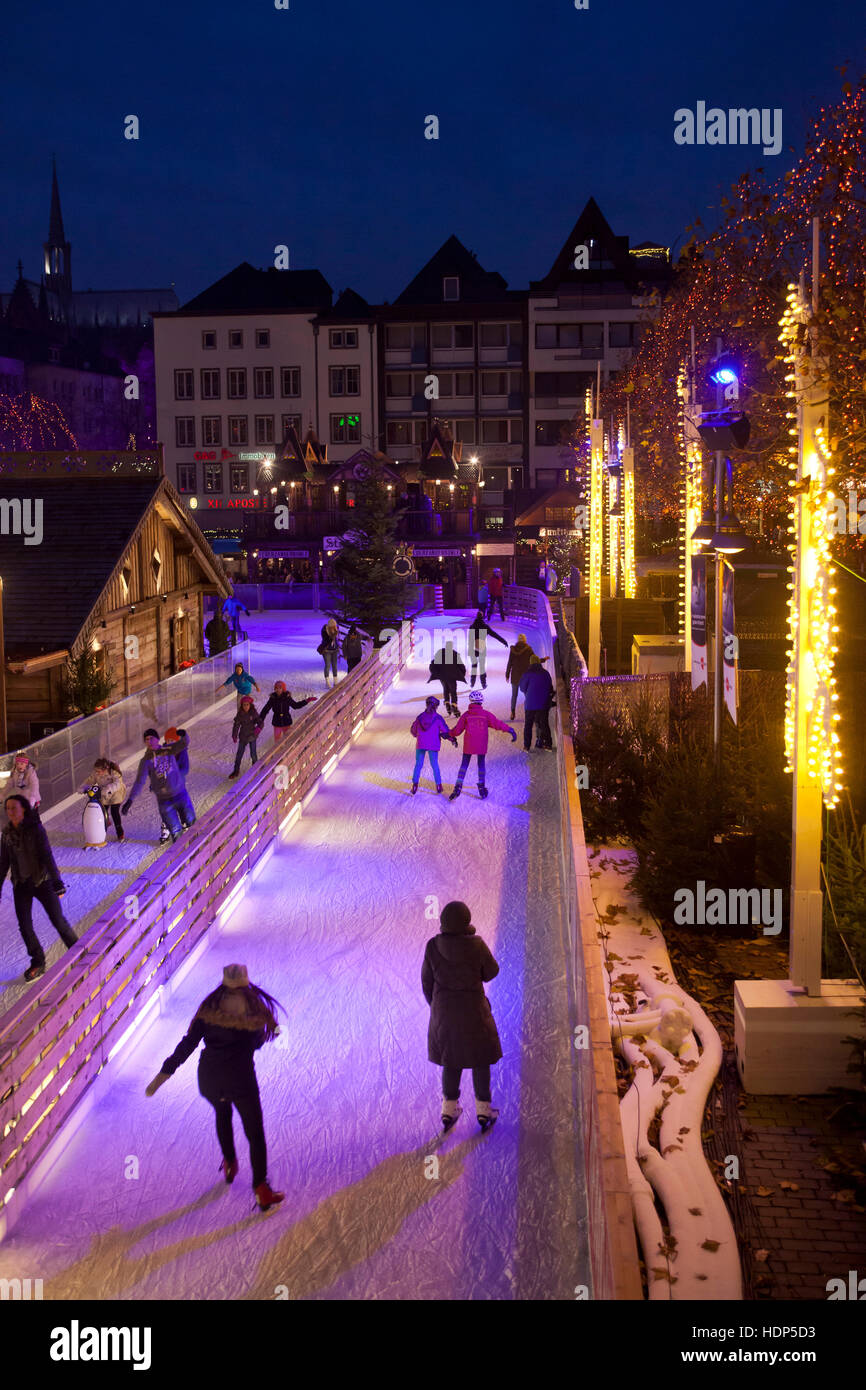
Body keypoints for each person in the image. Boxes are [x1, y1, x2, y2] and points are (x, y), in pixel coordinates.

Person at [145, 963, 285, 1211]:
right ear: (245, 982)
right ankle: (261, 1189)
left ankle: (230, 1163)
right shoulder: (253, 1009)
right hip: (240, 1078)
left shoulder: (209, 1007)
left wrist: (165, 1072)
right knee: (254, 1132)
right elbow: (258, 1042)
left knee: (222, 1112)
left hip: (209, 1077)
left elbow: (188, 1044)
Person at [421, 901, 501, 1132]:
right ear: (466, 921)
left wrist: (437, 1008)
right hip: (474, 1013)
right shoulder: (475, 945)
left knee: (451, 1059)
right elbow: (492, 971)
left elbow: (426, 982)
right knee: (480, 1059)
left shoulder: (433, 946)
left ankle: (449, 1108)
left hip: (444, 1015)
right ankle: (484, 1110)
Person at [0, 795, 78, 980]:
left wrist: (57, 881)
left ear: (24, 809)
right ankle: (38, 961)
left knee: (58, 920)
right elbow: (3, 863)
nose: (10, 811)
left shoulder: (35, 829)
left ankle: (79, 952)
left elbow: (46, 855)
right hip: (21, 884)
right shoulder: (7, 833)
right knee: (24, 926)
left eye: (14, 807)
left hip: (42, 881)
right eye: (7, 808)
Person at [122, 729, 196, 841]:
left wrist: (184, 735)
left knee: (192, 824)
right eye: (146, 739)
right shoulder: (146, 761)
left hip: (180, 794)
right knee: (176, 833)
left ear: (157, 739)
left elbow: (184, 743)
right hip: (164, 801)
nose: (149, 741)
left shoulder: (168, 749)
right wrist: (130, 800)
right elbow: (139, 781)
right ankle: (182, 855)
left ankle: (201, 853)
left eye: (152, 738)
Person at [448, 690, 516, 800]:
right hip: (481, 744)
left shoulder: (466, 715)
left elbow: (457, 730)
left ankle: (458, 786)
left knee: (464, 765)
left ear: (471, 701)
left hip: (469, 744)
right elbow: (497, 724)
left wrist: (449, 733)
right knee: (481, 764)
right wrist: (510, 730)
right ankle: (481, 787)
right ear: (481, 702)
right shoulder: (486, 715)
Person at [409, 696, 457, 795]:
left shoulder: (420, 717)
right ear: (436, 707)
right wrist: (452, 739)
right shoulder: (438, 718)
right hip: (433, 744)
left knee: (418, 764)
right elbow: (446, 731)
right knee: (434, 764)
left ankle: (414, 786)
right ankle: (439, 786)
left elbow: (413, 730)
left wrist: (417, 735)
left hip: (421, 744)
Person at [519, 655, 555, 750]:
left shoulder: (527, 674)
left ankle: (527, 746)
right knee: (544, 724)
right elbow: (550, 687)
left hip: (530, 704)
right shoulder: (545, 673)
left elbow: (522, 687)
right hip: (543, 704)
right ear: (539, 662)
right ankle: (548, 744)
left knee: (528, 725)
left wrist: (529, 691)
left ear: (530, 663)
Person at [467, 609, 508, 689]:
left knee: (474, 666)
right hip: (481, 648)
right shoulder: (485, 627)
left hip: (473, 648)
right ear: (482, 617)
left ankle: (472, 682)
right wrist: (503, 641)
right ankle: (483, 684)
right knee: (482, 666)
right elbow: (495, 635)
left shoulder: (472, 626)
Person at [88, 757, 126, 841]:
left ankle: (120, 833)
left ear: (105, 769)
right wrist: (84, 787)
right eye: (96, 771)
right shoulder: (96, 773)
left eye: (99, 771)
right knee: (102, 810)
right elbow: (90, 781)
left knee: (114, 812)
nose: (97, 773)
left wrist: (108, 789)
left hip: (116, 793)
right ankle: (105, 823)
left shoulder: (113, 772)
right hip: (104, 793)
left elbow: (117, 783)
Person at [428, 640, 466, 718]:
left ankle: (447, 703)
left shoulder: (440, 653)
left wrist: (436, 673)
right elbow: (461, 665)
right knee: (453, 691)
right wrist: (462, 673)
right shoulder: (454, 654)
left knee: (445, 689)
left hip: (442, 676)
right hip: (452, 676)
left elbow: (432, 665)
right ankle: (454, 705)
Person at [230, 696, 264, 777]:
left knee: (253, 754)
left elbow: (260, 722)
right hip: (243, 736)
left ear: (250, 705)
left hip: (252, 735)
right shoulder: (240, 714)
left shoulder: (253, 713)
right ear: (242, 706)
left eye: (247, 705)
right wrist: (234, 735)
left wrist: (258, 728)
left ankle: (255, 769)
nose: (246, 706)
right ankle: (236, 770)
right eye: (244, 705)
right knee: (239, 754)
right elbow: (236, 725)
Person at [505, 633, 535, 720]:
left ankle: (512, 713)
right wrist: (543, 659)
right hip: (525, 676)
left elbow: (510, 662)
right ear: (525, 640)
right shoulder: (529, 650)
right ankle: (528, 713)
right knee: (527, 695)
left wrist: (507, 674)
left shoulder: (513, 650)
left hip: (515, 676)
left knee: (514, 695)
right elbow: (534, 660)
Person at [318, 618, 340, 687]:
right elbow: (326, 640)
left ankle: (335, 681)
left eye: (335, 626)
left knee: (335, 666)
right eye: (333, 626)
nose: (335, 627)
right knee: (327, 665)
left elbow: (336, 640)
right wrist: (333, 635)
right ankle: (327, 682)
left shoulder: (336, 629)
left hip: (334, 650)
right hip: (327, 650)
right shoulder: (325, 630)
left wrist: (337, 646)